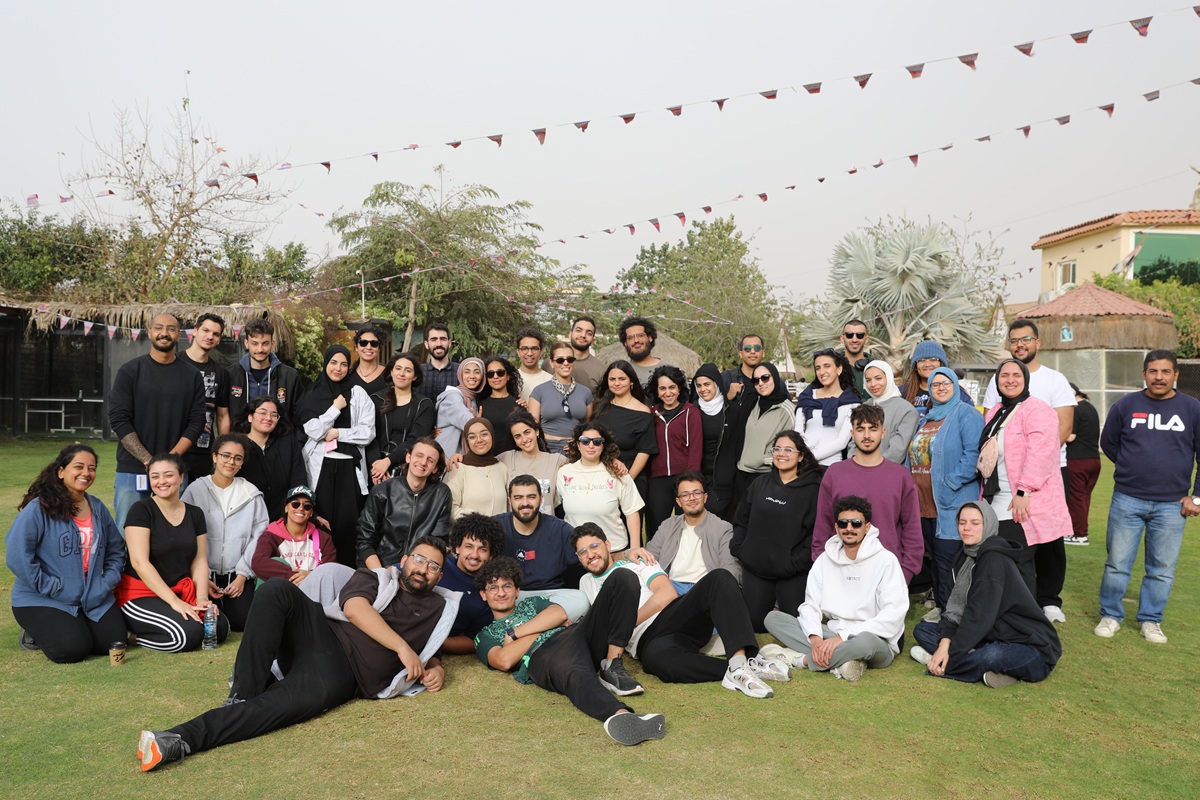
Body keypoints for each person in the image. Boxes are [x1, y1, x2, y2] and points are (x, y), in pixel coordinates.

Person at [136, 537, 453, 772]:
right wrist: (402, 648)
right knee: (275, 588)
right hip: (320, 631)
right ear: (405, 559)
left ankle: (175, 740)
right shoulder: (376, 578)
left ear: (439, 577)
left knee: (271, 709)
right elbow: (354, 609)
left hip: (343, 675)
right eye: (420, 560)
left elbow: (431, 646)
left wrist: (435, 666)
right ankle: (242, 693)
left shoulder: (440, 608)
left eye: (433, 566)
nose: (424, 569)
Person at [573, 524, 785, 698]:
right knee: (657, 661)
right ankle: (736, 670)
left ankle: (741, 661)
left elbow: (667, 593)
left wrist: (626, 622)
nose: (590, 554)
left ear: (607, 545)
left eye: (594, 546)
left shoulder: (636, 563)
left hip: (672, 616)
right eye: (583, 552)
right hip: (646, 642)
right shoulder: (585, 582)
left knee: (719, 578)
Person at [473, 556, 667, 745]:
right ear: (484, 594)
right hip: (543, 656)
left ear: (516, 591)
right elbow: (504, 660)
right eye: (493, 587)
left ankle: (612, 665)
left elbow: (559, 614)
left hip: (575, 634)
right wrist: (543, 625)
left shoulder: (532, 603)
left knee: (623, 577)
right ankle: (622, 716)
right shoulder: (485, 634)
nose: (501, 592)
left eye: (507, 586)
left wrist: (516, 634)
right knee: (576, 674)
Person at [1095, 350, 1200, 644]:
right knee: (1117, 563)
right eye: (1153, 371)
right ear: (1144, 374)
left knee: (1162, 569)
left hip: (1172, 504)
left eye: (1166, 372)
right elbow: (1109, 443)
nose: (1159, 377)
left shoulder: (1192, 408)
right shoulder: (1126, 405)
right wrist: (1132, 468)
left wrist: (1197, 497)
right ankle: (1111, 615)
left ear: (1176, 375)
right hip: (1127, 499)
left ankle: (1151, 620)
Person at [911, 502, 1061, 688]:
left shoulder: (994, 561)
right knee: (923, 630)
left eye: (975, 523)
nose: (967, 528)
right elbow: (954, 609)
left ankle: (943, 663)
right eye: (962, 522)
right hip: (989, 635)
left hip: (1030, 647)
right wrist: (944, 644)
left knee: (993, 655)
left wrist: (951, 652)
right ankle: (982, 666)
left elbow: (978, 617)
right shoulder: (964, 556)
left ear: (988, 524)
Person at [765, 495, 908, 682]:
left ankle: (801, 660)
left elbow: (892, 615)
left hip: (874, 640)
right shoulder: (825, 560)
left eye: (856, 523)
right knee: (773, 618)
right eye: (843, 523)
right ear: (836, 527)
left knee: (864, 642)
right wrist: (816, 640)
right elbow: (811, 605)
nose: (849, 528)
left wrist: (842, 637)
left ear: (867, 527)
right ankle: (845, 661)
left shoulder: (886, 560)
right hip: (832, 635)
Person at [7, 444, 127, 663]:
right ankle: (34, 632)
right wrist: (52, 586)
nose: (86, 473)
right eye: (78, 467)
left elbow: (116, 550)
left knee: (111, 642)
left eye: (92, 468)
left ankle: (74, 622)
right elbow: (17, 555)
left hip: (91, 595)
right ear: (61, 471)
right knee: (71, 650)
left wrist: (106, 582)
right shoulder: (39, 508)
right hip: (43, 597)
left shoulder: (98, 508)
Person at [980, 359, 1071, 623]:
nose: (1009, 380)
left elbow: (1042, 452)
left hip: (1023, 499)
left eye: (1015, 375)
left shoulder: (1038, 409)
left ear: (1025, 379)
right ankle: (1006, 614)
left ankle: (1026, 620)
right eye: (1004, 375)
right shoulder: (996, 410)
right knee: (1002, 558)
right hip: (996, 496)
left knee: (1018, 560)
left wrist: (1024, 491)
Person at [117, 453, 230, 652]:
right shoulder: (141, 510)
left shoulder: (195, 514)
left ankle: (180, 613)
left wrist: (202, 597)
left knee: (218, 629)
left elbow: (200, 561)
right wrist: (175, 603)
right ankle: (132, 637)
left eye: (168, 475)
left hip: (179, 589)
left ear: (181, 477)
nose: (161, 481)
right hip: (141, 593)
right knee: (187, 635)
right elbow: (139, 563)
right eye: (155, 476)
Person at [108, 312, 206, 529]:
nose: (164, 333)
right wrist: (147, 460)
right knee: (128, 529)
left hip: (175, 471)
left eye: (171, 328)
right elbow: (119, 419)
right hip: (132, 469)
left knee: (174, 530)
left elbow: (197, 422)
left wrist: (170, 460)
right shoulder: (130, 371)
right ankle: (128, 566)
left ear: (179, 335)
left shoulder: (192, 376)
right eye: (159, 327)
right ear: (150, 332)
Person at [814, 405, 923, 585]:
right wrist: (822, 566)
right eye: (860, 429)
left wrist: (905, 573)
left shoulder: (900, 476)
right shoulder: (835, 473)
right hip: (840, 569)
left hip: (887, 573)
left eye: (873, 428)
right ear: (852, 433)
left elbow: (912, 529)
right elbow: (822, 526)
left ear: (883, 432)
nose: (866, 435)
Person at [907, 367, 983, 617]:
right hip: (923, 502)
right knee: (934, 557)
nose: (940, 388)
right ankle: (941, 605)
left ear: (954, 385)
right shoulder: (927, 418)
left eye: (945, 383)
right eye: (935, 384)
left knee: (948, 558)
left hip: (951, 500)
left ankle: (950, 611)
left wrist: (949, 483)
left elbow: (973, 456)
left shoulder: (966, 414)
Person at [732, 430, 823, 632]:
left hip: (790, 570)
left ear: (800, 456)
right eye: (777, 449)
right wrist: (740, 549)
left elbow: (816, 534)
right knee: (755, 623)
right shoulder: (759, 484)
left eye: (789, 450)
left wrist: (795, 563)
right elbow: (741, 520)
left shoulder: (813, 490)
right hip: (756, 565)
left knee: (793, 623)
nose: (782, 454)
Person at [297, 345, 376, 568]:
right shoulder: (314, 393)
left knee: (347, 526)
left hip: (349, 468)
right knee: (319, 522)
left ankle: (346, 576)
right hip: (321, 466)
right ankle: (316, 572)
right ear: (326, 364)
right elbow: (312, 430)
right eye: (333, 363)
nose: (338, 368)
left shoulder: (358, 393)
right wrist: (334, 408)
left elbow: (368, 432)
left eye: (343, 364)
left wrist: (338, 433)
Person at [180, 434, 268, 631]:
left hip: (236, 574)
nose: (231, 462)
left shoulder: (250, 494)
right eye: (225, 456)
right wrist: (201, 576)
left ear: (242, 463)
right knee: (202, 620)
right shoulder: (195, 490)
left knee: (242, 622)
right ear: (214, 457)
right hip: (203, 574)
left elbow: (259, 536)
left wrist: (243, 575)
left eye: (237, 458)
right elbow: (185, 533)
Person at [982, 319, 1076, 495]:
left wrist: (1033, 464)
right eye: (1014, 341)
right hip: (1003, 474)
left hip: (1048, 472)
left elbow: (1064, 427)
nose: (1020, 345)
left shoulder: (1055, 379)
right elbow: (988, 426)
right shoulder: (999, 382)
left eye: (1026, 339)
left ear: (1037, 343)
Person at [628, 471, 740, 596]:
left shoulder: (723, 528)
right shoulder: (668, 526)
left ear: (705, 497)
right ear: (679, 501)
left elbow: (730, 568)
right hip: (670, 587)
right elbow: (649, 558)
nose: (691, 498)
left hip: (703, 589)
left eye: (697, 493)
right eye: (685, 495)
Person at [497, 475, 589, 620]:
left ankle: (527, 625)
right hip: (512, 595)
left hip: (552, 597)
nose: (525, 503)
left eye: (531, 497)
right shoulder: (495, 526)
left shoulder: (560, 529)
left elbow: (589, 556)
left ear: (541, 499)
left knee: (581, 599)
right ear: (509, 501)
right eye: (518, 497)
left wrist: (625, 555)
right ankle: (549, 624)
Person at [357, 437, 453, 569]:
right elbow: (364, 541)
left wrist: (409, 569)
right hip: (379, 566)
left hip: (416, 569)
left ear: (435, 468)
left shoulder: (441, 493)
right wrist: (381, 573)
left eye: (430, 460)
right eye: (419, 455)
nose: (423, 462)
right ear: (408, 457)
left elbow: (438, 542)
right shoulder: (382, 490)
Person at [558, 421, 645, 553]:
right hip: (577, 552)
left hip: (614, 549)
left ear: (603, 445)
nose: (591, 445)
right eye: (585, 441)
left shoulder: (618, 473)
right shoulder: (564, 473)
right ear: (577, 444)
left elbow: (632, 512)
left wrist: (635, 549)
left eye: (597, 441)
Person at [645, 365, 702, 538]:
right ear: (657, 390)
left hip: (683, 477)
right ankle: (654, 563)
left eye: (672, 387)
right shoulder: (651, 413)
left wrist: (691, 479)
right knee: (656, 526)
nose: (667, 393)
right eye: (662, 388)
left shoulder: (690, 412)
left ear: (679, 389)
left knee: (686, 527)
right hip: (657, 479)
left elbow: (696, 447)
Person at [439, 513, 508, 654]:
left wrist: (435, 641)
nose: (474, 555)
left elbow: (472, 640)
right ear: (457, 547)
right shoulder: (438, 561)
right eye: (469, 546)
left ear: (491, 555)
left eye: (482, 549)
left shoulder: (488, 592)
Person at [591, 360, 657, 502]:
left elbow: (645, 450)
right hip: (600, 472)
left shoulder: (643, 412)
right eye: (612, 379)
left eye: (622, 379)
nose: (617, 383)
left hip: (631, 474)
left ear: (632, 381)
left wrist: (628, 481)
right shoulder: (600, 407)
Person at [233, 397, 307, 521]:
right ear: (250, 417)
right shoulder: (236, 445)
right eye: (262, 413)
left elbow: (298, 480)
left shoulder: (288, 444)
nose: (268, 418)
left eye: (274, 415)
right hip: (244, 516)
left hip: (281, 518)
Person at [367, 352, 436, 485]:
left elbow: (416, 440)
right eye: (398, 368)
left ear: (415, 376)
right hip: (374, 468)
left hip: (408, 470)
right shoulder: (375, 399)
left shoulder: (424, 404)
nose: (401, 374)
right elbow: (369, 435)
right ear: (391, 372)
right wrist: (376, 465)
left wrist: (388, 461)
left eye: (408, 370)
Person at [179, 312, 231, 480]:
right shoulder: (174, 363)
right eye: (205, 330)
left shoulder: (221, 373)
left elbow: (222, 416)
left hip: (203, 450)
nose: (210, 336)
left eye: (215, 334)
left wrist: (222, 450)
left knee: (199, 505)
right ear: (195, 331)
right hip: (174, 448)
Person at [251, 485, 336, 586]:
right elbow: (258, 563)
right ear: (286, 508)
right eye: (295, 504)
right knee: (274, 562)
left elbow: (331, 572)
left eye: (307, 506)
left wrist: (311, 576)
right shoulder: (271, 535)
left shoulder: (324, 538)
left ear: (311, 512)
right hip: (281, 591)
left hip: (312, 592)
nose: (301, 508)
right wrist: (293, 576)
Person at [734, 362, 794, 503]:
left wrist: (762, 459)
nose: (761, 383)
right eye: (756, 380)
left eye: (765, 378)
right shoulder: (751, 403)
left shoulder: (787, 410)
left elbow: (790, 446)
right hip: (742, 475)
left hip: (766, 476)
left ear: (775, 378)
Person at [227, 317, 305, 425]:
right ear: (246, 343)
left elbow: (300, 416)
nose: (260, 349)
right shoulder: (230, 375)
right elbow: (222, 415)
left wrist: (293, 441)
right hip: (240, 440)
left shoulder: (290, 377)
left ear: (272, 344)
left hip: (278, 440)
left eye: (265, 343)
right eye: (254, 343)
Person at [794, 348, 859, 466]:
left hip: (831, 465)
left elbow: (842, 441)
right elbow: (798, 431)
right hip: (802, 464)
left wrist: (810, 457)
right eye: (818, 368)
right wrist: (803, 456)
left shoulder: (852, 402)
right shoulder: (807, 396)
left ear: (839, 369)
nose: (822, 372)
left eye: (827, 366)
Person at [497, 411, 568, 514]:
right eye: (518, 436)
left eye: (527, 432)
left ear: (537, 431)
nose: (524, 439)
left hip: (547, 526)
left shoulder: (557, 461)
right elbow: (482, 463)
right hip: (515, 527)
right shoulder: (507, 458)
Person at [529, 341, 593, 455]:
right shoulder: (539, 391)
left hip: (576, 449)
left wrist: (577, 442)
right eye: (560, 360)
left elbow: (587, 425)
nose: (565, 363)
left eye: (570, 359)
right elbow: (532, 426)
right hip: (547, 448)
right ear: (552, 363)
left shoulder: (586, 392)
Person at [692, 362, 738, 517]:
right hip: (698, 476)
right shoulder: (692, 410)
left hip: (724, 478)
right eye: (698, 385)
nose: (703, 389)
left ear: (717, 384)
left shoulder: (731, 409)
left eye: (707, 384)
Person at [444, 418, 509, 519]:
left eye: (484, 434)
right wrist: (481, 527)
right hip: (469, 533)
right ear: (467, 441)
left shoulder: (502, 467)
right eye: (472, 437)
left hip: (501, 533)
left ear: (492, 435)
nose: (479, 440)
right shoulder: (458, 467)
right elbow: (450, 509)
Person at [900, 339, 971, 426]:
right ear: (915, 366)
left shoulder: (959, 394)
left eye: (933, 359)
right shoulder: (902, 392)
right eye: (921, 360)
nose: (927, 364)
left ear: (941, 363)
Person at [859, 359, 918, 464]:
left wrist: (873, 467)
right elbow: (854, 442)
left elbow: (898, 450)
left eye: (878, 378)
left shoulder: (907, 411)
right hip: (858, 472)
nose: (873, 384)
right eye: (868, 380)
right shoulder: (863, 407)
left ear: (889, 378)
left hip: (888, 473)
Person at [1064, 383, 1101, 546]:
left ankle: (1079, 534)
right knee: (1083, 498)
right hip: (1094, 459)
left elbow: (1071, 436)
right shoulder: (1090, 408)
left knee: (1076, 499)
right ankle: (1079, 531)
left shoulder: (1075, 410)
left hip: (1077, 460)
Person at [435, 357, 485, 456]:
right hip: (447, 456)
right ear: (460, 375)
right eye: (467, 372)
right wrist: (477, 423)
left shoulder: (472, 397)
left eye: (477, 372)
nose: (472, 376)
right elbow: (464, 418)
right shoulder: (452, 396)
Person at [477, 355, 522, 454]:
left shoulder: (518, 404)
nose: (495, 376)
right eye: (490, 374)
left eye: (500, 373)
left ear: (508, 376)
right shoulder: (480, 406)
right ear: (486, 378)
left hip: (514, 460)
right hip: (488, 460)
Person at [618, 316, 673, 388]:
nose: (636, 340)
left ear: (650, 338)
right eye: (630, 338)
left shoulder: (671, 370)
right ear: (625, 343)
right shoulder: (619, 372)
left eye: (640, 336)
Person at [415, 322, 458, 400]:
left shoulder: (461, 372)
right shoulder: (417, 372)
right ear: (426, 344)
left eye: (443, 339)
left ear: (449, 343)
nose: (439, 344)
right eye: (433, 339)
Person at [565, 315, 606, 396]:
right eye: (579, 330)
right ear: (570, 334)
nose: (583, 335)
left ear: (593, 341)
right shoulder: (551, 363)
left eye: (589, 333)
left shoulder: (601, 370)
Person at [349, 326, 388, 403]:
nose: (369, 347)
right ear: (356, 347)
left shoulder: (389, 374)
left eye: (374, 343)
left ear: (379, 348)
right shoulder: (348, 375)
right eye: (363, 343)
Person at [515, 327, 553, 401]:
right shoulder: (510, 379)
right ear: (518, 352)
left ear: (541, 351)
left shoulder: (551, 381)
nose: (529, 353)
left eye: (534, 349)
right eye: (524, 349)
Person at [839, 319, 874, 397]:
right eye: (849, 335)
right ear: (842, 338)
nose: (854, 340)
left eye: (860, 335)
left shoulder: (877, 367)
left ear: (866, 339)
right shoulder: (832, 366)